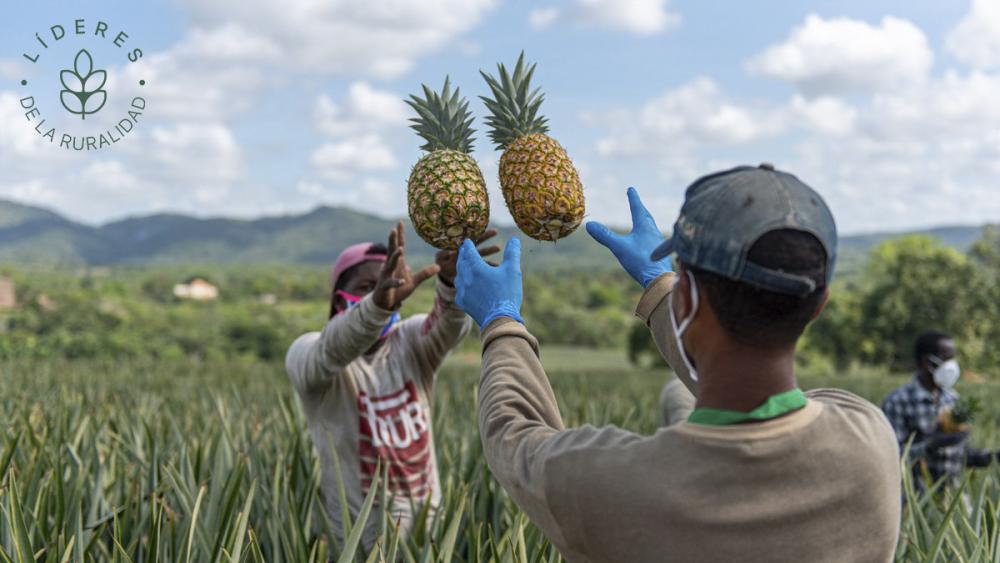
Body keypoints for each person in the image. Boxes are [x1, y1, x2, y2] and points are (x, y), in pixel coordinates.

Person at [454, 164, 902, 562]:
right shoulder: (870, 441)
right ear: (819, 304)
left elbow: (514, 436)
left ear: (689, 297)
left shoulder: (613, 488)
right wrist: (668, 287)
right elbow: (750, 385)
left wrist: (500, 322)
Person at [285, 221, 498, 548]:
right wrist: (378, 307)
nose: (379, 290)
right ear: (339, 298)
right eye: (367, 285)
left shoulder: (410, 341)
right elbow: (333, 347)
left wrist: (451, 282)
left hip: (429, 541)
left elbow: (449, 327)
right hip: (357, 546)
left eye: (389, 281)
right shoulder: (308, 354)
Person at [881, 331, 998, 489]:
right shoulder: (897, 402)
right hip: (915, 500)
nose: (953, 365)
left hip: (953, 499)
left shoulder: (953, 400)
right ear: (928, 363)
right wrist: (930, 445)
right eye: (948, 358)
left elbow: (960, 455)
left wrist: (990, 458)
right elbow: (889, 459)